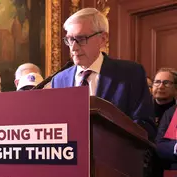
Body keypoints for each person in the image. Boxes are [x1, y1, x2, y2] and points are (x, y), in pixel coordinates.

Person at [51, 8, 156, 140]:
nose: (73, 47)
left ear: (102, 39)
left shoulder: (130, 73)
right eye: (69, 40)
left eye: (81, 39)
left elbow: (145, 125)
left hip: (116, 156)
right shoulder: (59, 80)